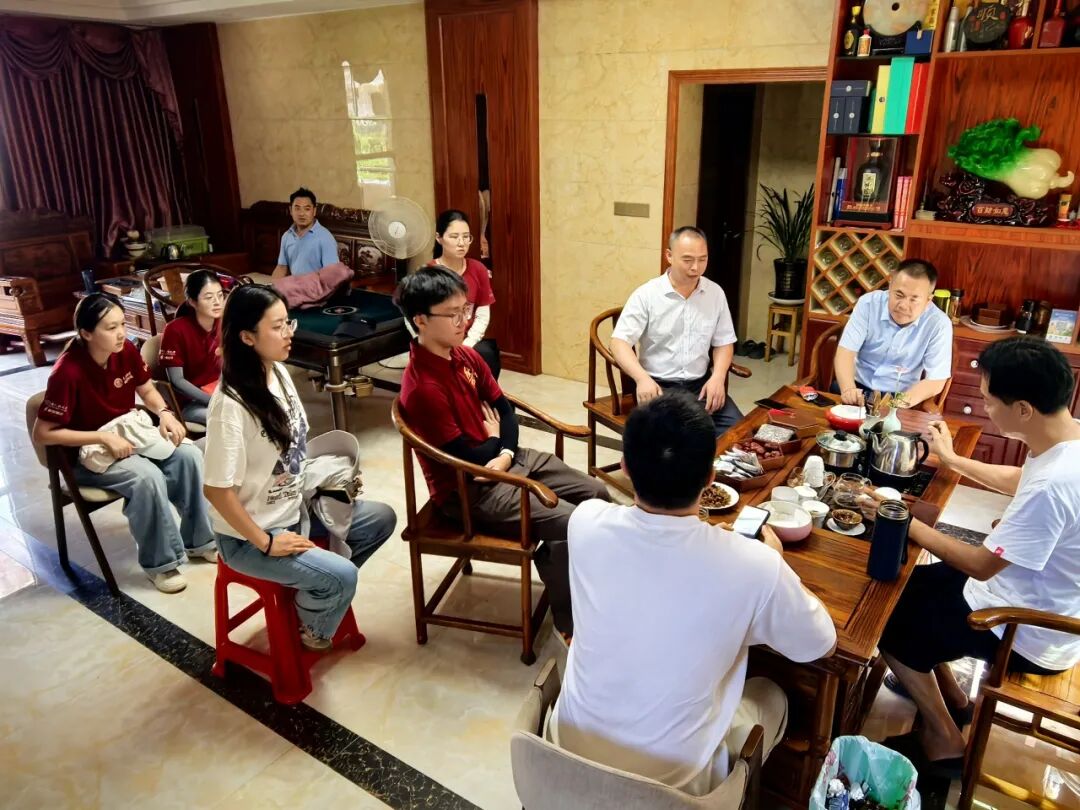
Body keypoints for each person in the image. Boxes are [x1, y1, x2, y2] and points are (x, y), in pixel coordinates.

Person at [551, 390, 837, 794]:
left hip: (563, 758)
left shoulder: (584, 522)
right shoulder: (754, 565)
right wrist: (775, 562)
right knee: (772, 693)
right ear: (710, 477)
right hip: (672, 792)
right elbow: (821, 643)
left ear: (625, 467)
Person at [879, 336, 1080, 775]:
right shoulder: (1068, 440)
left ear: (1023, 409)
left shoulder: (1054, 486)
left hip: (1028, 629)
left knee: (886, 619)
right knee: (912, 585)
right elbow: (1020, 478)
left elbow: (980, 565)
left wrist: (900, 518)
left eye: (990, 401)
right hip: (1041, 598)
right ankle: (953, 700)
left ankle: (944, 740)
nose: (986, 408)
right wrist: (951, 460)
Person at [394, 267, 610, 637]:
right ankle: (571, 624)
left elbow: (504, 411)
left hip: (504, 462)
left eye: (465, 310)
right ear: (421, 320)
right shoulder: (423, 387)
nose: (464, 321)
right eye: (452, 314)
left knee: (598, 495)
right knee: (575, 521)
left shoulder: (465, 356)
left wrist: (504, 449)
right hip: (469, 490)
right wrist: (494, 444)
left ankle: (583, 585)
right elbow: (467, 458)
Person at [201, 285, 396, 651]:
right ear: (246, 337)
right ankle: (312, 625)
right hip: (249, 539)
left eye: (287, 322)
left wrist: (330, 480)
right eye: (277, 327)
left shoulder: (277, 373)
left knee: (381, 520)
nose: (289, 332)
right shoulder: (230, 406)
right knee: (342, 577)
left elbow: (292, 452)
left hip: (295, 510)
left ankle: (313, 592)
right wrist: (266, 542)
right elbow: (216, 490)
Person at [33, 293, 215, 594]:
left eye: (122, 324)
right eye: (110, 327)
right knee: (147, 477)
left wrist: (165, 413)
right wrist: (101, 437)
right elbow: (43, 433)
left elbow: (147, 389)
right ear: (86, 333)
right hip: (86, 456)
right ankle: (161, 564)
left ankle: (200, 541)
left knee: (188, 455)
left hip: (127, 435)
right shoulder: (68, 371)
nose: (121, 333)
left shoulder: (125, 349)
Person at [610, 226, 742, 435]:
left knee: (740, 434)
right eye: (688, 260)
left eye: (703, 259)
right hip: (659, 388)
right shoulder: (647, 294)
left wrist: (718, 377)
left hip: (701, 386)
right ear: (669, 256)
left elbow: (724, 342)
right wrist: (642, 379)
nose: (696, 268)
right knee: (680, 439)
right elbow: (619, 342)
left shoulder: (715, 293)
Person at [833, 259, 953, 409]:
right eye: (899, 295)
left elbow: (936, 380)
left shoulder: (939, 324)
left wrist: (896, 405)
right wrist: (848, 390)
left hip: (901, 396)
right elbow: (846, 351)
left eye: (914, 299)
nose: (903, 305)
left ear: (928, 300)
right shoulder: (868, 304)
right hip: (857, 387)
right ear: (890, 286)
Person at [427, 209, 500, 378]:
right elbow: (414, 317)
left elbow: (482, 315)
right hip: (438, 340)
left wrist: (467, 345)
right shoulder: (428, 273)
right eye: (454, 237)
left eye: (466, 237)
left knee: (487, 354)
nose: (461, 243)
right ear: (439, 238)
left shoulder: (478, 269)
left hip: (468, 338)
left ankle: (484, 395)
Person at [158, 269, 224, 425]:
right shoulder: (175, 330)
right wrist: (213, 400)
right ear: (193, 301)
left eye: (220, 295)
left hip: (220, 392)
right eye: (209, 297)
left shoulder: (224, 323)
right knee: (228, 420)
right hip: (191, 402)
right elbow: (177, 381)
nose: (217, 302)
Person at [271, 187, 340, 279]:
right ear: (291, 210)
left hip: (316, 287)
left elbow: (332, 276)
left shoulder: (325, 238)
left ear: (314, 211)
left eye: (307, 209)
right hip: (294, 286)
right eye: (297, 208)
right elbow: (281, 267)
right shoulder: (287, 236)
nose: (301, 214)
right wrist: (272, 286)